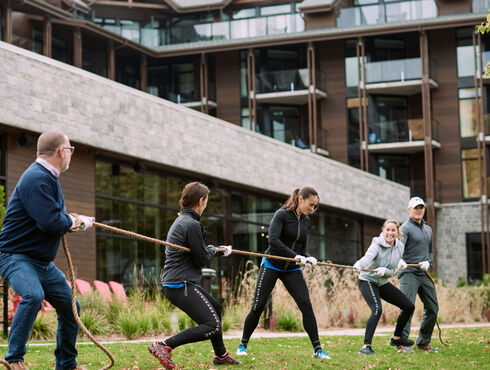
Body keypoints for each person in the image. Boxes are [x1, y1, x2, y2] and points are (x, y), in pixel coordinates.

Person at [0, 131, 94, 370]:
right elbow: (51, 223)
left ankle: (66, 363)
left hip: (42, 263)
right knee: (32, 296)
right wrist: (76, 221)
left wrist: (73, 220)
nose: (71, 155)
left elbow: (53, 218)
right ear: (61, 151)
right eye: (70, 149)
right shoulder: (37, 178)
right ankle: (14, 360)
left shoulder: (48, 177)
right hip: (16, 257)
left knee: (71, 308)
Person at [148, 182, 239, 369]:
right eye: (206, 200)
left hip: (177, 283)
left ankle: (220, 355)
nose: (206, 204)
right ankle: (164, 345)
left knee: (216, 309)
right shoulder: (192, 224)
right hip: (180, 285)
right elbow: (202, 259)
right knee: (212, 324)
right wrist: (214, 250)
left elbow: (198, 252)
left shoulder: (182, 220)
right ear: (201, 201)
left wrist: (218, 250)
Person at [236, 187, 331, 359]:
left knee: (306, 305)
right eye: (311, 205)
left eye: (315, 206)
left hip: (292, 268)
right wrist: (297, 256)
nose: (313, 209)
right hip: (272, 264)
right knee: (258, 306)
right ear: (300, 199)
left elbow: (303, 247)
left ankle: (318, 350)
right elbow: (273, 240)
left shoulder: (306, 221)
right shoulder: (281, 215)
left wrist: (308, 257)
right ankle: (242, 345)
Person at [353, 219, 415, 355]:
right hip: (368, 280)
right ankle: (366, 347)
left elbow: (392, 272)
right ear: (383, 231)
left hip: (383, 282)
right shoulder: (377, 244)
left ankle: (396, 338)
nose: (390, 233)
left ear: (397, 232)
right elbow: (368, 257)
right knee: (377, 309)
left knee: (409, 306)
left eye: (393, 230)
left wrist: (396, 266)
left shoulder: (400, 247)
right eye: (387, 230)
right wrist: (359, 264)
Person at [397, 196, 440, 352]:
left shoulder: (428, 229)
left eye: (421, 208)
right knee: (407, 307)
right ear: (409, 210)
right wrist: (400, 261)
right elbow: (398, 249)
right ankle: (401, 344)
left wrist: (428, 262)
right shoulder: (404, 228)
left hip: (423, 273)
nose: (419, 210)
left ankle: (423, 342)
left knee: (433, 307)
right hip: (408, 273)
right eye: (415, 208)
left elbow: (430, 251)